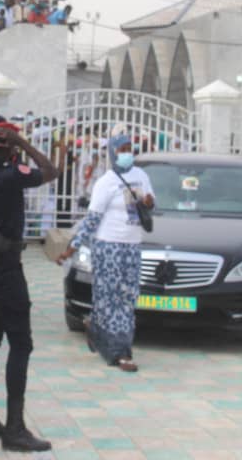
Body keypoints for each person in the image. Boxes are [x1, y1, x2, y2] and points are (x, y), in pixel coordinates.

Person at [0, 120, 58, 453]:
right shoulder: (9, 175)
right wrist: (26, 145)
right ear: (8, 145)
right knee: (21, 343)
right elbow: (51, 171)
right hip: (4, 267)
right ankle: (14, 428)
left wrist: (9, 145)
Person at [57, 133, 153, 372]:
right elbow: (91, 221)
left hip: (132, 246)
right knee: (110, 298)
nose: (127, 153)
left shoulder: (141, 176)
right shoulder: (105, 182)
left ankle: (97, 329)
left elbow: (150, 205)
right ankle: (121, 353)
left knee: (128, 297)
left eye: (130, 148)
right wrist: (72, 247)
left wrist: (150, 202)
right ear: (113, 152)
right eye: (122, 149)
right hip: (108, 246)